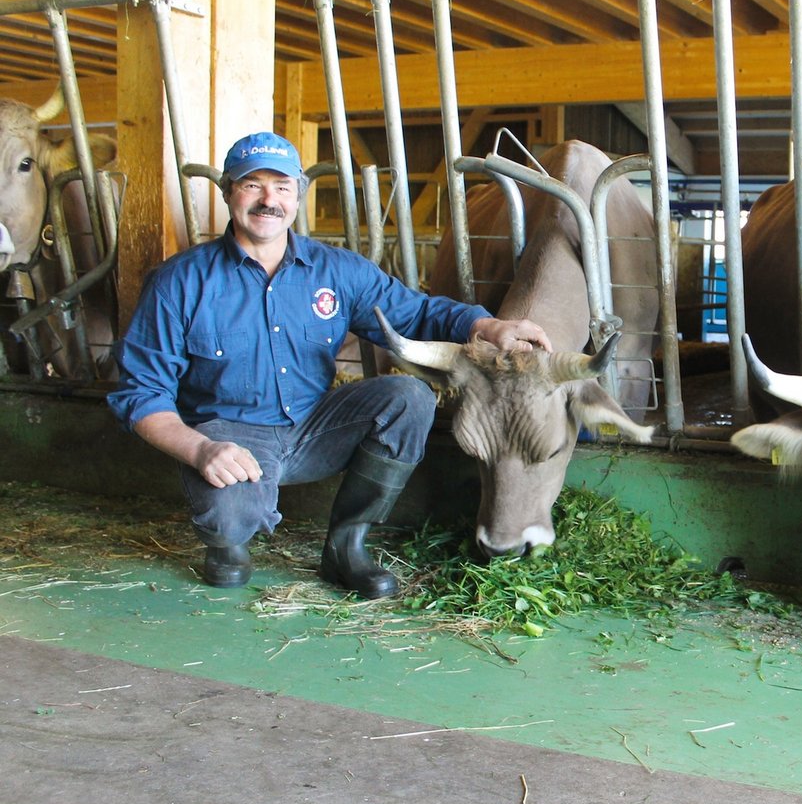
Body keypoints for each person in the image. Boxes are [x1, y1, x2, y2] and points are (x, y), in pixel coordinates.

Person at [108, 132, 552, 599]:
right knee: (229, 546)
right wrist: (201, 451)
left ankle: (346, 546)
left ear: (298, 194)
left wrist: (486, 326)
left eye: (281, 187)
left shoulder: (337, 271)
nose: (268, 200)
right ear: (227, 192)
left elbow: (415, 313)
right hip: (232, 435)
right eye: (251, 184)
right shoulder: (179, 281)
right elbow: (141, 394)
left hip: (314, 424)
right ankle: (227, 542)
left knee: (408, 397)